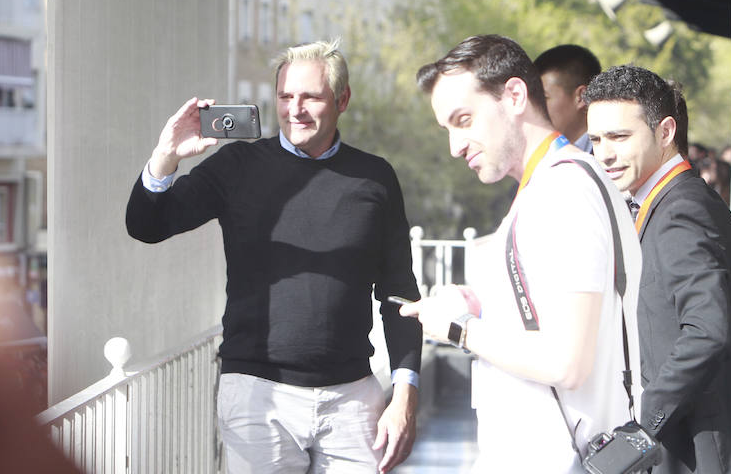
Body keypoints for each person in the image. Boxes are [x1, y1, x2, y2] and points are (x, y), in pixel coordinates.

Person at [125, 39, 422, 473]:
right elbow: (147, 226)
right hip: (256, 395)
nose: (295, 109)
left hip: (353, 400)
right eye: (285, 97)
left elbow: (399, 294)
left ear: (342, 99)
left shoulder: (375, 177)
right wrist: (166, 155)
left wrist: (405, 394)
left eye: (310, 97)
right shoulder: (237, 165)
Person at [402, 35, 642, 472]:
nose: (455, 146)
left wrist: (459, 330)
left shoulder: (564, 191)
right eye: (448, 129)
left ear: (514, 95)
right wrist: (478, 303)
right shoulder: (549, 187)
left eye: (464, 119)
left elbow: (566, 361)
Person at [584, 65, 731, 473]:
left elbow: (707, 330)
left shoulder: (680, 210)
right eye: (597, 139)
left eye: (620, 137)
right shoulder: (673, 202)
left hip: (702, 452)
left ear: (665, 132)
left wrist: (642, 425)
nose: (604, 153)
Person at [533, 44, 602, 153]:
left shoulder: (609, 156)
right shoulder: (539, 156)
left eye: (544, 98)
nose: (535, 107)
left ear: (582, 96)